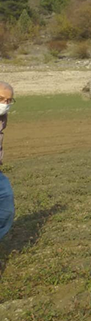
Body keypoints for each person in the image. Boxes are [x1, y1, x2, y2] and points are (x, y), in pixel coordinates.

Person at [0, 82, 15, 244]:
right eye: (0, 99)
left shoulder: (2, 118)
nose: (4, 104)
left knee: (6, 210)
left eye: (8, 101)